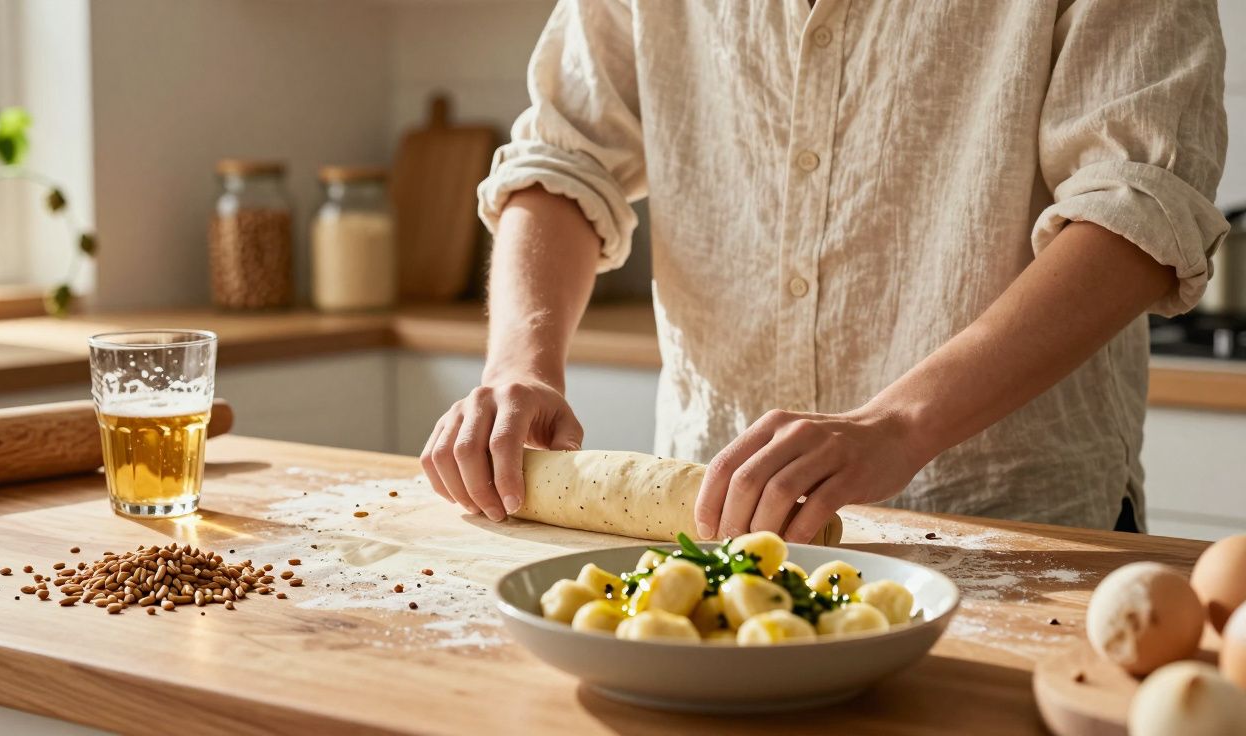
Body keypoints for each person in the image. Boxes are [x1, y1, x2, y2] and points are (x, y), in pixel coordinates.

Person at [420, 1, 1229, 541]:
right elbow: (562, 156)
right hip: (712, 520)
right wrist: (519, 366)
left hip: (1010, 520)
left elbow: (1136, 214)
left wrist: (901, 424)